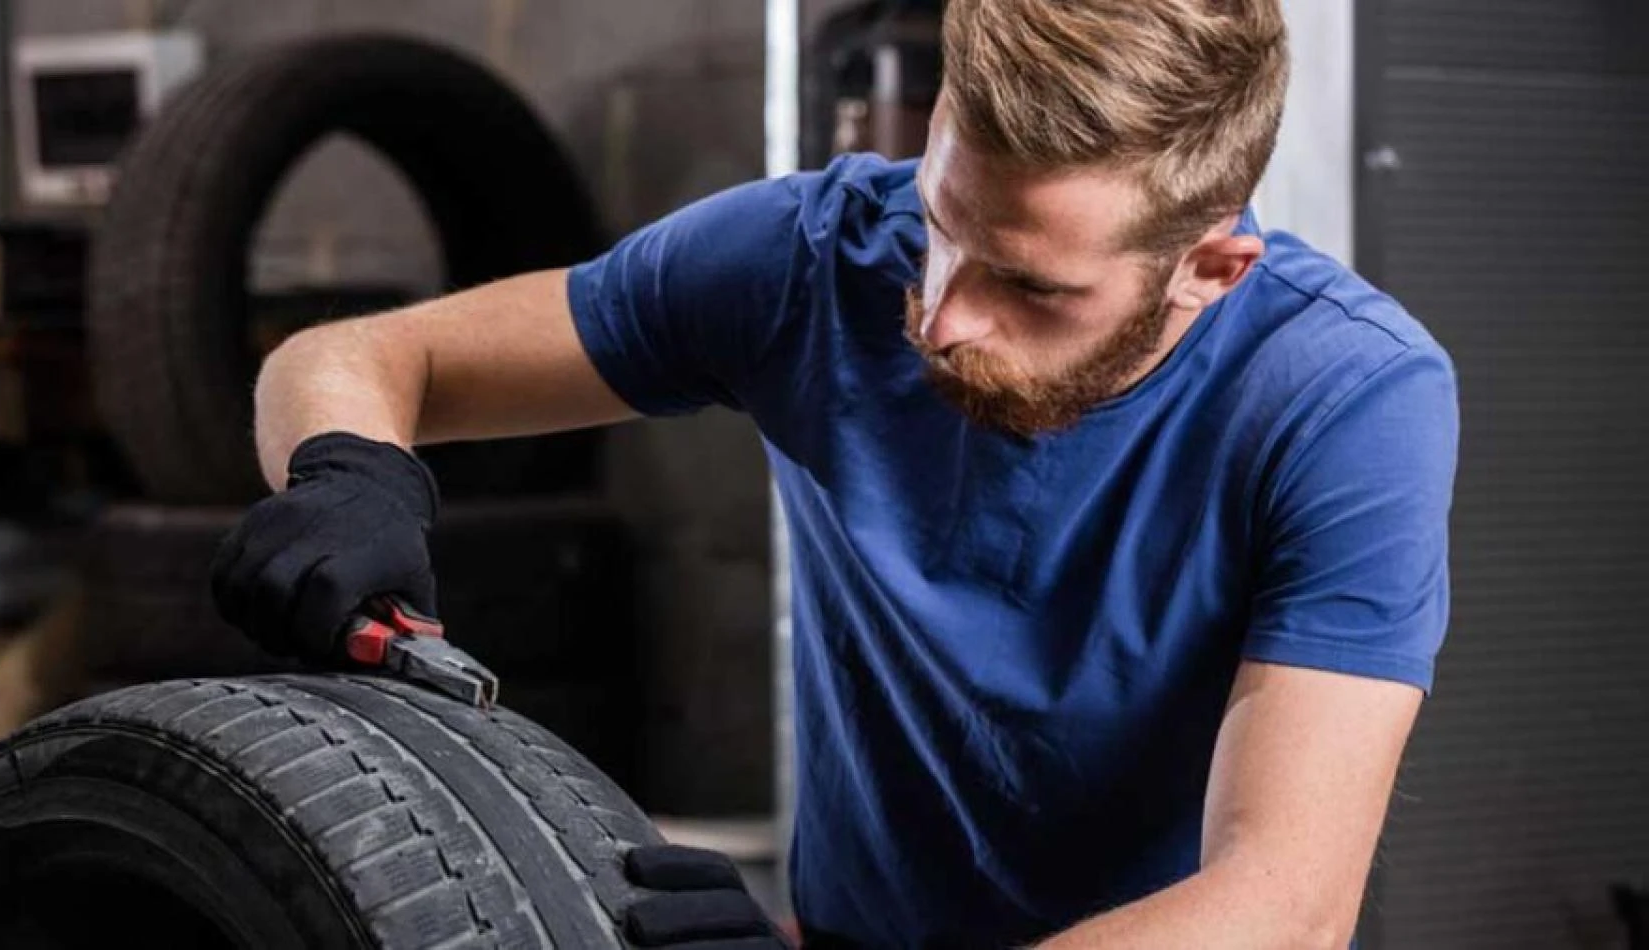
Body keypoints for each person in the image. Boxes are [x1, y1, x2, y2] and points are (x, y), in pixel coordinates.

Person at [207, 0, 1460, 946]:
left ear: (1209, 269)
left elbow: (1283, 901)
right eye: (940, 224)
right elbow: (359, 356)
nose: (942, 315)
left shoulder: (1343, 397)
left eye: (1029, 285)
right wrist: (352, 473)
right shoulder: (812, 259)